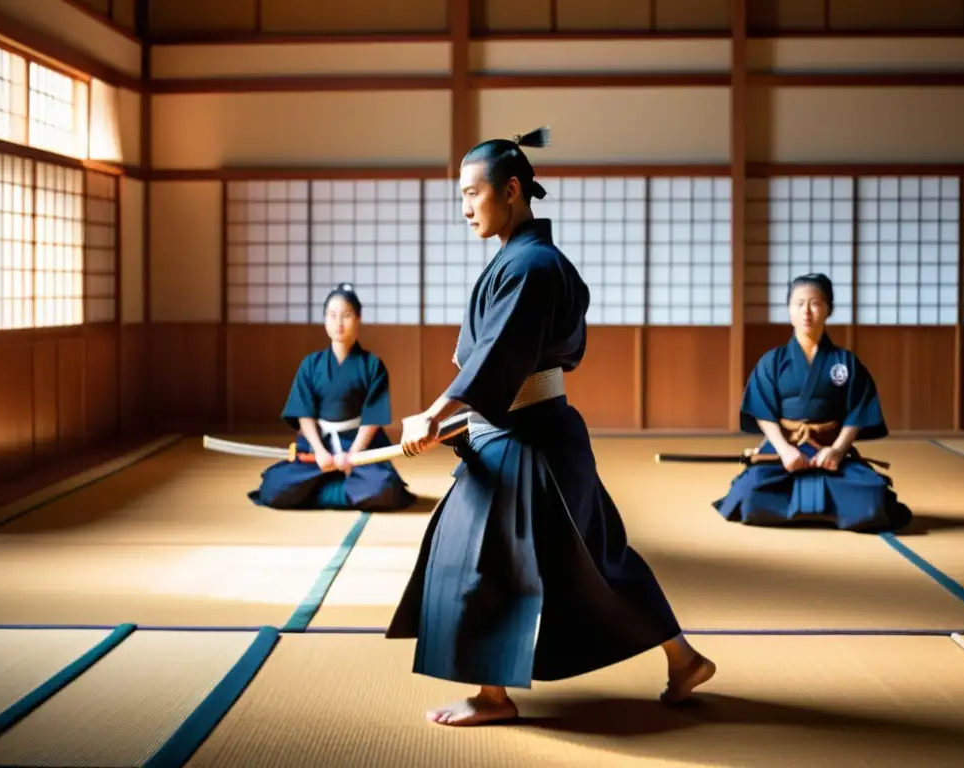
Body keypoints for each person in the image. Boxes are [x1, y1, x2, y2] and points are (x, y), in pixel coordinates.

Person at [386, 127, 716, 727]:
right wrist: (461, 422)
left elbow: (500, 361)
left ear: (511, 190)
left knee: (478, 558)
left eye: (471, 193)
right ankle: (683, 658)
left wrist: (436, 415)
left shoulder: (533, 267)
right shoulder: (525, 262)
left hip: (528, 443)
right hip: (534, 433)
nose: (463, 207)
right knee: (593, 557)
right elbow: (503, 364)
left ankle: (492, 696)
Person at [712, 273, 912, 533]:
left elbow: (859, 410)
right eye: (799, 303)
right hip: (784, 450)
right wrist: (784, 450)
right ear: (789, 310)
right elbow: (762, 410)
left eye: (815, 303)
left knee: (872, 494)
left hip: (828, 450)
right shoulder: (772, 361)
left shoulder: (845, 362)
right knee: (750, 494)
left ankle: (802, 507)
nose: (806, 312)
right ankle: (830, 509)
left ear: (828, 309)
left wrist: (838, 450)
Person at [247, 284, 417, 512]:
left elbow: (372, 418)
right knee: (273, 487)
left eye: (346, 315)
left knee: (383, 488)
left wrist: (353, 456)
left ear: (358, 319)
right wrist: (319, 452)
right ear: (325, 320)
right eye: (332, 315)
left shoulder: (372, 365)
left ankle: (319, 490)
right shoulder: (311, 364)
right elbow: (303, 414)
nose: (339, 323)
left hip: (360, 445)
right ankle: (342, 489)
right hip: (319, 445)